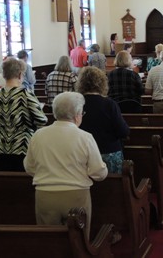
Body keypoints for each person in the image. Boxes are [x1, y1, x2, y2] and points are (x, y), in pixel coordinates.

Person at [24, 91, 108, 239]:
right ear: (77, 115)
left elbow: (29, 167)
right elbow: (98, 173)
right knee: (79, 242)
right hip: (76, 195)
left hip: (45, 195)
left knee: (50, 242)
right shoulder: (85, 137)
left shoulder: (38, 135)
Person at [0, 58, 47, 171]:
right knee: (23, 183)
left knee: (6, 183)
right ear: (20, 74)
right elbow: (42, 119)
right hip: (23, 146)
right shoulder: (25, 94)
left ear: (4, 75)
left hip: (0, 146)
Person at [76, 67, 130, 174]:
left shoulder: (76, 103)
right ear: (102, 83)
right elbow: (123, 132)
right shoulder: (109, 104)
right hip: (108, 152)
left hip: (82, 154)